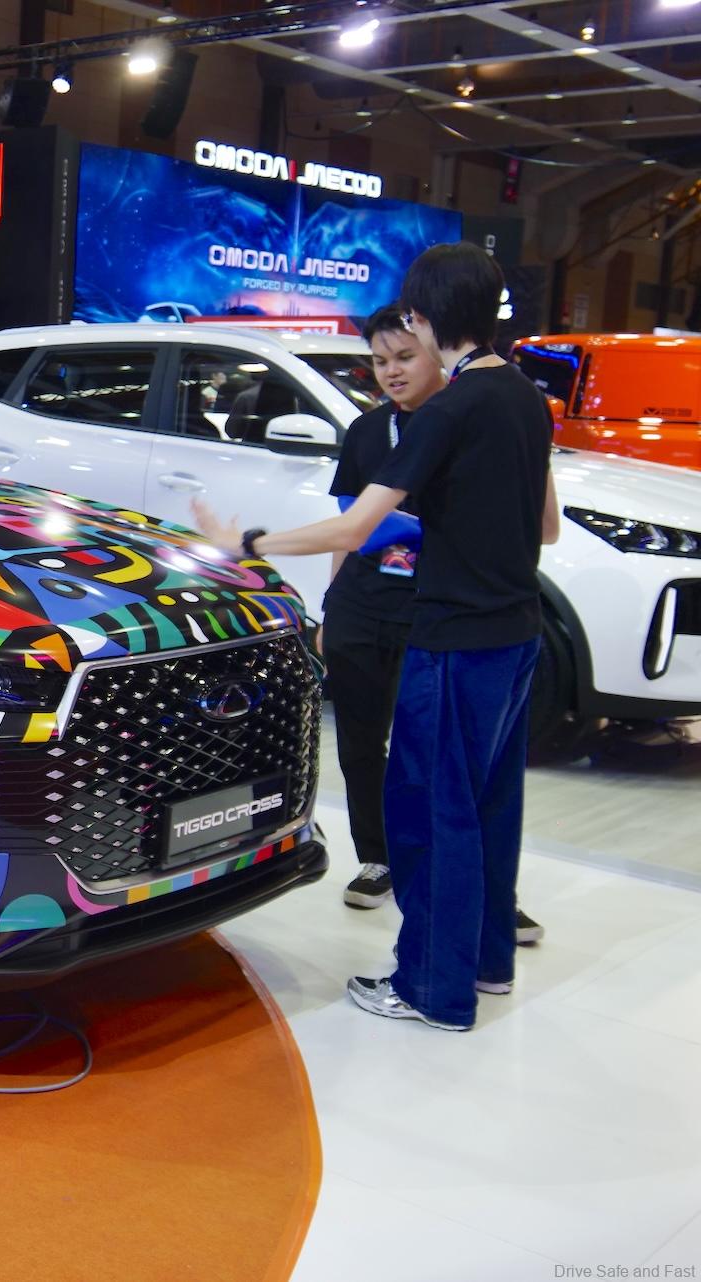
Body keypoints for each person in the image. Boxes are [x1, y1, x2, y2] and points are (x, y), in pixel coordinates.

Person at [194, 242, 559, 1032]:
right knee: (491, 806)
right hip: (517, 636)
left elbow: (355, 528)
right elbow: (547, 527)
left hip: (453, 640)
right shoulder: (526, 399)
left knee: (432, 813)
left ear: (425, 318)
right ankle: (486, 964)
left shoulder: (450, 410)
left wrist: (246, 542)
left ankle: (432, 988)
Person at [324, 307, 547, 947]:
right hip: (364, 608)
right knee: (361, 743)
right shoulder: (366, 432)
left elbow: (530, 522)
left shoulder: (471, 418)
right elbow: (348, 526)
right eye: (379, 361)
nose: (391, 371)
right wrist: (331, 605)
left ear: (434, 348)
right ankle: (379, 859)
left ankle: (482, 899)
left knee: (448, 766)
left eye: (404, 356)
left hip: (439, 615)